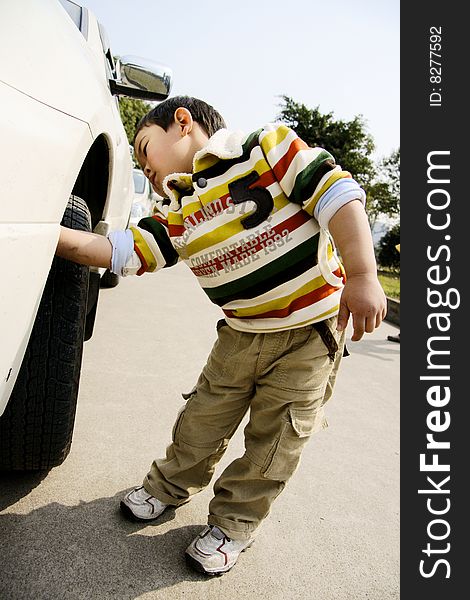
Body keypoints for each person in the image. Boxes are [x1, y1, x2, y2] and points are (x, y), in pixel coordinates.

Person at [56, 96, 387, 576]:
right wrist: (50, 235)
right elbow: (119, 251)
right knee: (202, 419)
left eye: (144, 147)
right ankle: (168, 485)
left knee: (276, 441)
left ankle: (233, 524)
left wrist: (361, 274)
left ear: (182, 123)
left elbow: (339, 195)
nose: (142, 164)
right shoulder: (178, 211)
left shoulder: (265, 148)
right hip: (239, 334)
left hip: (308, 336)